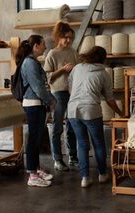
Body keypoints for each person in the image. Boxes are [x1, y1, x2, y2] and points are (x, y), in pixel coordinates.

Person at [68, 46, 124, 188]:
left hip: (73, 109)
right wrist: (121, 113)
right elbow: (110, 99)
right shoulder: (104, 73)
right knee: (98, 143)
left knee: (82, 143)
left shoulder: (77, 68)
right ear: (103, 59)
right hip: (91, 110)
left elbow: (70, 86)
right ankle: (102, 174)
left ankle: (85, 178)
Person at [16, 35, 55, 187]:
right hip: (33, 104)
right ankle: (32, 175)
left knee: (36, 139)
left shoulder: (32, 62)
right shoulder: (29, 63)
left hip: (37, 104)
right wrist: (50, 100)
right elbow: (38, 87)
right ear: (36, 46)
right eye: (43, 44)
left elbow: (41, 85)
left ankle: (36, 170)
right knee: (33, 140)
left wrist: (48, 99)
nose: (45, 47)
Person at [44, 21, 79, 171]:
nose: (68, 41)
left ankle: (72, 157)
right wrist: (62, 70)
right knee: (57, 127)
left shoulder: (73, 52)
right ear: (59, 37)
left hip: (72, 93)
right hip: (57, 93)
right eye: (66, 37)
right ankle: (58, 159)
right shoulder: (52, 53)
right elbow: (47, 76)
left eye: (71, 38)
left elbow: (78, 71)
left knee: (72, 126)